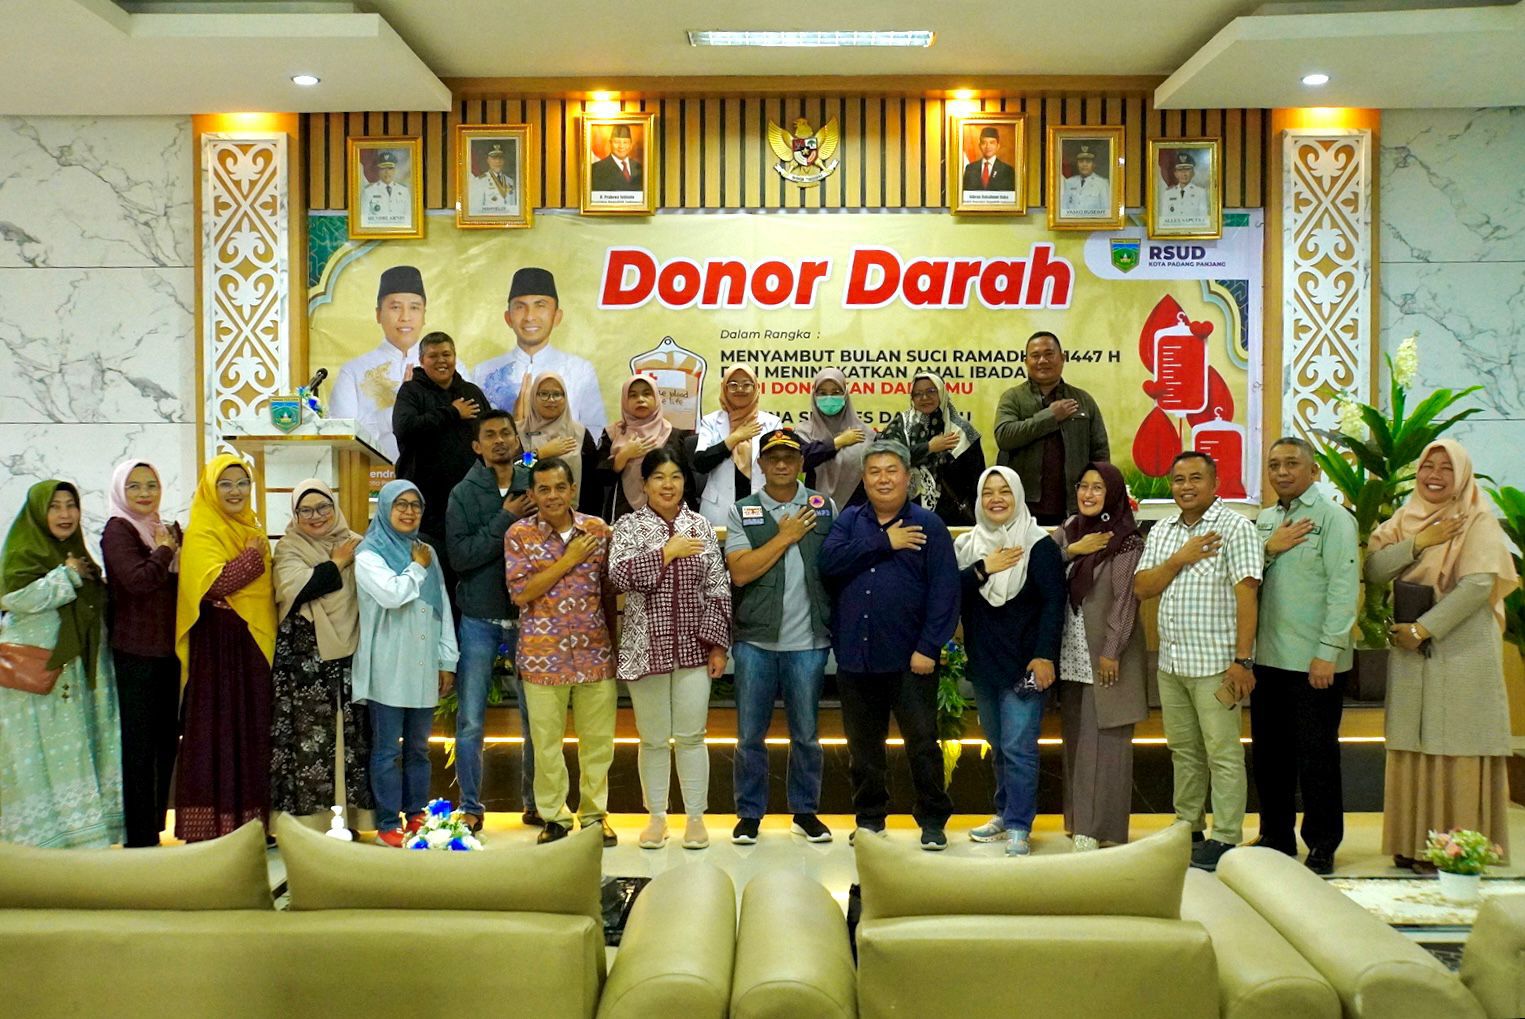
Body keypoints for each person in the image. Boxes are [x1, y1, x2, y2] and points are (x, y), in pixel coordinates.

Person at [1366, 439, 1518, 870]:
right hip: (1412, 650)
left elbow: (1478, 585)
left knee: (1456, 744)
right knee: (1414, 743)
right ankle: (1413, 842)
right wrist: (1418, 542)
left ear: (1463, 474)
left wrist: (1424, 628)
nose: (1434, 475)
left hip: (1461, 646)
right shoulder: (1405, 518)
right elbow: (1375, 569)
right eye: (1427, 466)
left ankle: (1456, 847)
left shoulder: (1477, 518)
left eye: (1446, 467)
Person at [819, 439, 958, 850]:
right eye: (874, 472)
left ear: (907, 478)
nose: (883, 479)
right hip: (856, 658)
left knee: (922, 744)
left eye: (891, 471)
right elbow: (828, 563)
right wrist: (884, 542)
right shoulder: (849, 521)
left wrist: (929, 647)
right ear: (864, 479)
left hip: (911, 659)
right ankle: (869, 819)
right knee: (863, 749)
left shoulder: (929, 525)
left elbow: (945, 592)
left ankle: (932, 820)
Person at [1133, 451, 1262, 872]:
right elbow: (1142, 587)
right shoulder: (1163, 530)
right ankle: (1189, 828)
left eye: (1195, 478)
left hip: (1217, 666)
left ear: (1215, 482)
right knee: (1183, 751)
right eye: (1178, 479)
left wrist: (1243, 660)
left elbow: (1247, 596)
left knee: (1223, 753)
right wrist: (1178, 559)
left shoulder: (1236, 528)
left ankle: (1225, 836)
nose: (1185, 487)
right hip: (1172, 664)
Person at [609, 449, 731, 851]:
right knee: (654, 739)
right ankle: (656, 818)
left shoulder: (700, 526)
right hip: (644, 648)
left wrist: (717, 646)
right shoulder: (628, 526)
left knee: (692, 736)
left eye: (675, 477)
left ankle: (695, 819)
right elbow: (619, 576)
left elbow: (718, 588)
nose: (668, 484)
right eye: (658, 477)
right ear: (644, 484)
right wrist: (666, 552)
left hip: (695, 649)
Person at [1251, 438, 1358, 874]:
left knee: (1317, 758)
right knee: (1269, 755)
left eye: (1292, 464)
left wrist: (1328, 651)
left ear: (1314, 471)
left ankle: (1322, 842)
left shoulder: (1334, 519)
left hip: (1315, 662)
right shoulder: (1265, 520)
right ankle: (1275, 835)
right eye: (1274, 465)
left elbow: (1343, 589)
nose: (1281, 472)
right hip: (1267, 657)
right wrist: (1267, 548)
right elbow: (1245, 577)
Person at [725, 428, 836, 845]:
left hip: (809, 642)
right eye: (773, 457)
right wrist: (785, 536)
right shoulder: (743, 510)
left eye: (790, 457)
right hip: (755, 641)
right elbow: (740, 572)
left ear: (802, 463)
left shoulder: (824, 507)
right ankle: (749, 814)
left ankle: (805, 811)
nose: (782, 464)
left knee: (806, 735)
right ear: (761, 464)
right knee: (750, 736)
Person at [0, 480, 123, 848]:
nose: (65, 514)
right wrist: (65, 575)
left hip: (75, 679)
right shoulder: (23, 554)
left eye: (71, 505)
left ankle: (82, 838)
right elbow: (14, 598)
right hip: (34, 683)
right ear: (39, 513)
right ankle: (40, 844)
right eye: (54, 506)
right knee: (39, 762)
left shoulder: (77, 554)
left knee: (76, 756)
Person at [504, 457, 619, 846]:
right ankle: (554, 817)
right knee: (546, 744)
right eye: (543, 489)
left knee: (598, 743)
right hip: (543, 656)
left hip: (594, 653)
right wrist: (569, 560)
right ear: (533, 494)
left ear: (572, 490)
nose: (552, 496)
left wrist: (614, 645)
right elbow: (521, 593)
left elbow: (608, 591)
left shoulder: (598, 530)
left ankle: (594, 816)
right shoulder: (519, 534)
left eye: (559, 487)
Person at [955, 467, 1064, 857]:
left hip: (1027, 666)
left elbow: (1054, 604)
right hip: (985, 663)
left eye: (1005, 491)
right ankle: (1004, 813)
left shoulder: (1038, 545)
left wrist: (1045, 655)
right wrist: (985, 568)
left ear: (1018, 496)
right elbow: (952, 593)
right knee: (998, 744)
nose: (996, 499)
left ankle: (1019, 824)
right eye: (988, 492)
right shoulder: (968, 546)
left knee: (1019, 746)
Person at [174, 454, 277, 842]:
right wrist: (251, 557)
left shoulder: (251, 527)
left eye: (242, 483)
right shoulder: (203, 529)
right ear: (210, 488)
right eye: (226, 483)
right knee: (215, 730)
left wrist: (253, 552)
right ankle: (210, 827)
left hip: (250, 645)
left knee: (252, 730)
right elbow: (216, 584)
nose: (235, 491)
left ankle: (252, 824)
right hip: (217, 648)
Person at [446, 409, 538, 832]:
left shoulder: (535, 484)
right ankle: (470, 805)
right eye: (490, 435)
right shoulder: (463, 493)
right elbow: (461, 557)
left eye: (506, 433)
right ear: (477, 446)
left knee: (536, 716)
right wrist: (505, 518)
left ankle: (537, 802)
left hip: (529, 617)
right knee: (470, 719)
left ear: (517, 440)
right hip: (479, 617)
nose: (500, 440)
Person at [353, 480, 457, 847]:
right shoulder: (368, 554)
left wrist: (447, 660)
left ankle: (416, 815)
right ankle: (386, 823)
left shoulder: (425, 551)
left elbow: (441, 607)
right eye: (400, 504)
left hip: (423, 664)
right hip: (387, 665)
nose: (409, 511)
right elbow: (392, 594)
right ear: (384, 509)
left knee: (418, 749)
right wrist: (416, 568)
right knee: (387, 750)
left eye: (415, 504)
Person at [1055, 462, 1148, 852]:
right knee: (1076, 741)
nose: (1088, 494)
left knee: (1104, 742)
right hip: (1071, 652)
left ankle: (1097, 828)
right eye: (1083, 486)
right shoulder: (1070, 530)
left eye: (1098, 488)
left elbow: (1125, 600)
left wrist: (1112, 651)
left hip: (1108, 654)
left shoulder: (1126, 540)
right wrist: (1071, 551)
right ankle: (1078, 822)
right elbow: (1040, 563)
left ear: (1113, 494)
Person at [269, 480, 371, 827]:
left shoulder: (357, 542)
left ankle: (353, 819)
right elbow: (299, 589)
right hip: (305, 657)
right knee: (309, 738)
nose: (316, 516)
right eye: (306, 510)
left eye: (324, 507)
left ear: (335, 507)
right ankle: (310, 823)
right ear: (295, 514)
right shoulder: (289, 547)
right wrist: (337, 563)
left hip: (353, 651)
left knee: (352, 735)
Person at [100, 460, 179, 848]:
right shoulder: (118, 530)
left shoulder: (161, 528)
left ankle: (153, 829)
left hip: (167, 653)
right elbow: (137, 581)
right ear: (120, 491)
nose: (145, 493)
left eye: (151, 485)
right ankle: (139, 836)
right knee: (139, 748)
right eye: (134, 486)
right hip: (135, 653)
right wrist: (165, 551)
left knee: (165, 744)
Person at [393, 330, 492, 604]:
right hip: (426, 508)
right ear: (421, 360)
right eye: (433, 356)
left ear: (455, 357)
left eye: (446, 354)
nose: (441, 361)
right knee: (432, 580)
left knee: (469, 577)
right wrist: (452, 412)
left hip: (470, 503)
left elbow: (489, 436)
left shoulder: (471, 393)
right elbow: (405, 428)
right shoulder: (411, 391)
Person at [330, 266, 459, 463]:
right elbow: (342, 435)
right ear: (378, 314)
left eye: (414, 307)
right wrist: (401, 405)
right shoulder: (353, 371)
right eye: (395, 307)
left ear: (424, 314)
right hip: (372, 473)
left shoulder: (453, 368)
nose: (405, 317)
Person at [993, 331, 1110, 525]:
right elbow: (1004, 436)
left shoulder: (1083, 400)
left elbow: (1100, 453)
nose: (1042, 361)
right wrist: (1050, 416)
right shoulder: (1013, 398)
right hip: (1023, 507)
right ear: (1026, 361)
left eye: (1049, 354)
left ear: (1062, 358)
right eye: (1035, 355)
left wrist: (1096, 492)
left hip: (1074, 507)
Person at [477, 268, 607, 434]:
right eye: (520, 307)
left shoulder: (580, 369)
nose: (530, 316)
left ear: (557, 316)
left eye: (540, 306)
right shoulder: (484, 371)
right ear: (508, 318)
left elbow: (596, 429)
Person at [881, 371, 985, 528]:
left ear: (942, 392)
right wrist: (929, 447)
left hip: (953, 518)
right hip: (905, 515)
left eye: (931, 391)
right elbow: (887, 458)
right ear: (912, 398)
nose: (924, 398)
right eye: (918, 394)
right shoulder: (901, 425)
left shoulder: (962, 431)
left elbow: (976, 481)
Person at [596, 373, 696, 520]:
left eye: (647, 394)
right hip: (623, 512)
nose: (640, 399)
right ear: (625, 400)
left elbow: (686, 483)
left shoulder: (675, 436)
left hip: (668, 513)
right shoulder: (613, 434)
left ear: (656, 398)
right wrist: (623, 455)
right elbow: (600, 478)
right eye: (633, 395)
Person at [518, 371, 601, 512]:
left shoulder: (579, 433)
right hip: (528, 517)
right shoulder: (518, 431)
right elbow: (513, 469)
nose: (551, 400)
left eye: (557, 394)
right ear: (533, 397)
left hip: (574, 516)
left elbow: (593, 483)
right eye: (543, 394)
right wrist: (540, 454)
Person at [797, 366, 873, 509]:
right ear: (814, 395)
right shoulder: (804, 432)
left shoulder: (865, 433)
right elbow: (802, 461)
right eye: (822, 393)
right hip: (816, 509)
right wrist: (838, 442)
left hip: (858, 510)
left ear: (845, 394)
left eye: (836, 392)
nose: (829, 397)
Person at [359, 150, 411, 227]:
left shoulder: (404, 191)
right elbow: (364, 220)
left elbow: (408, 219)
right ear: (378, 170)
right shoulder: (368, 192)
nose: (387, 172)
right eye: (383, 168)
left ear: (394, 170)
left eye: (390, 168)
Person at [1159, 153, 1209, 229]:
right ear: (1175, 174)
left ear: (1193, 173)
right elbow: (1164, 219)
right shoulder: (1168, 194)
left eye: (1187, 170)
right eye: (1180, 170)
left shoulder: (1200, 192)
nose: (1184, 174)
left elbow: (1204, 220)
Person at [1059, 146, 1110, 217]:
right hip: (1072, 223)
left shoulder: (1102, 184)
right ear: (1077, 164)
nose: (1084, 165)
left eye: (1088, 162)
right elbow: (1063, 210)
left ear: (1094, 164)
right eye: (1081, 161)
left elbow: (1107, 212)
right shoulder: (1069, 182)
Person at [468, 141, 517, 215]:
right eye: (494, 158)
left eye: (500, 158)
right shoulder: (479, 182)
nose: (498, 161)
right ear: (488, 160)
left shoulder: (510, 181)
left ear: (504, 160)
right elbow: (476, 211)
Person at [961, 126, 1016, 192]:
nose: (988, 146)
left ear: (998, 146)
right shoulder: (970, 168)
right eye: (984, 143)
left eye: (992, 143)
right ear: (979, 146)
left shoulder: (1007, 171)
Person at [590, 124, 643, 192]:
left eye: (625, 142)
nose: (621, 146)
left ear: (630, 145)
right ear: (610, 143)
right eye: (617, 142)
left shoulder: (639, 168)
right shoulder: (596, 169)